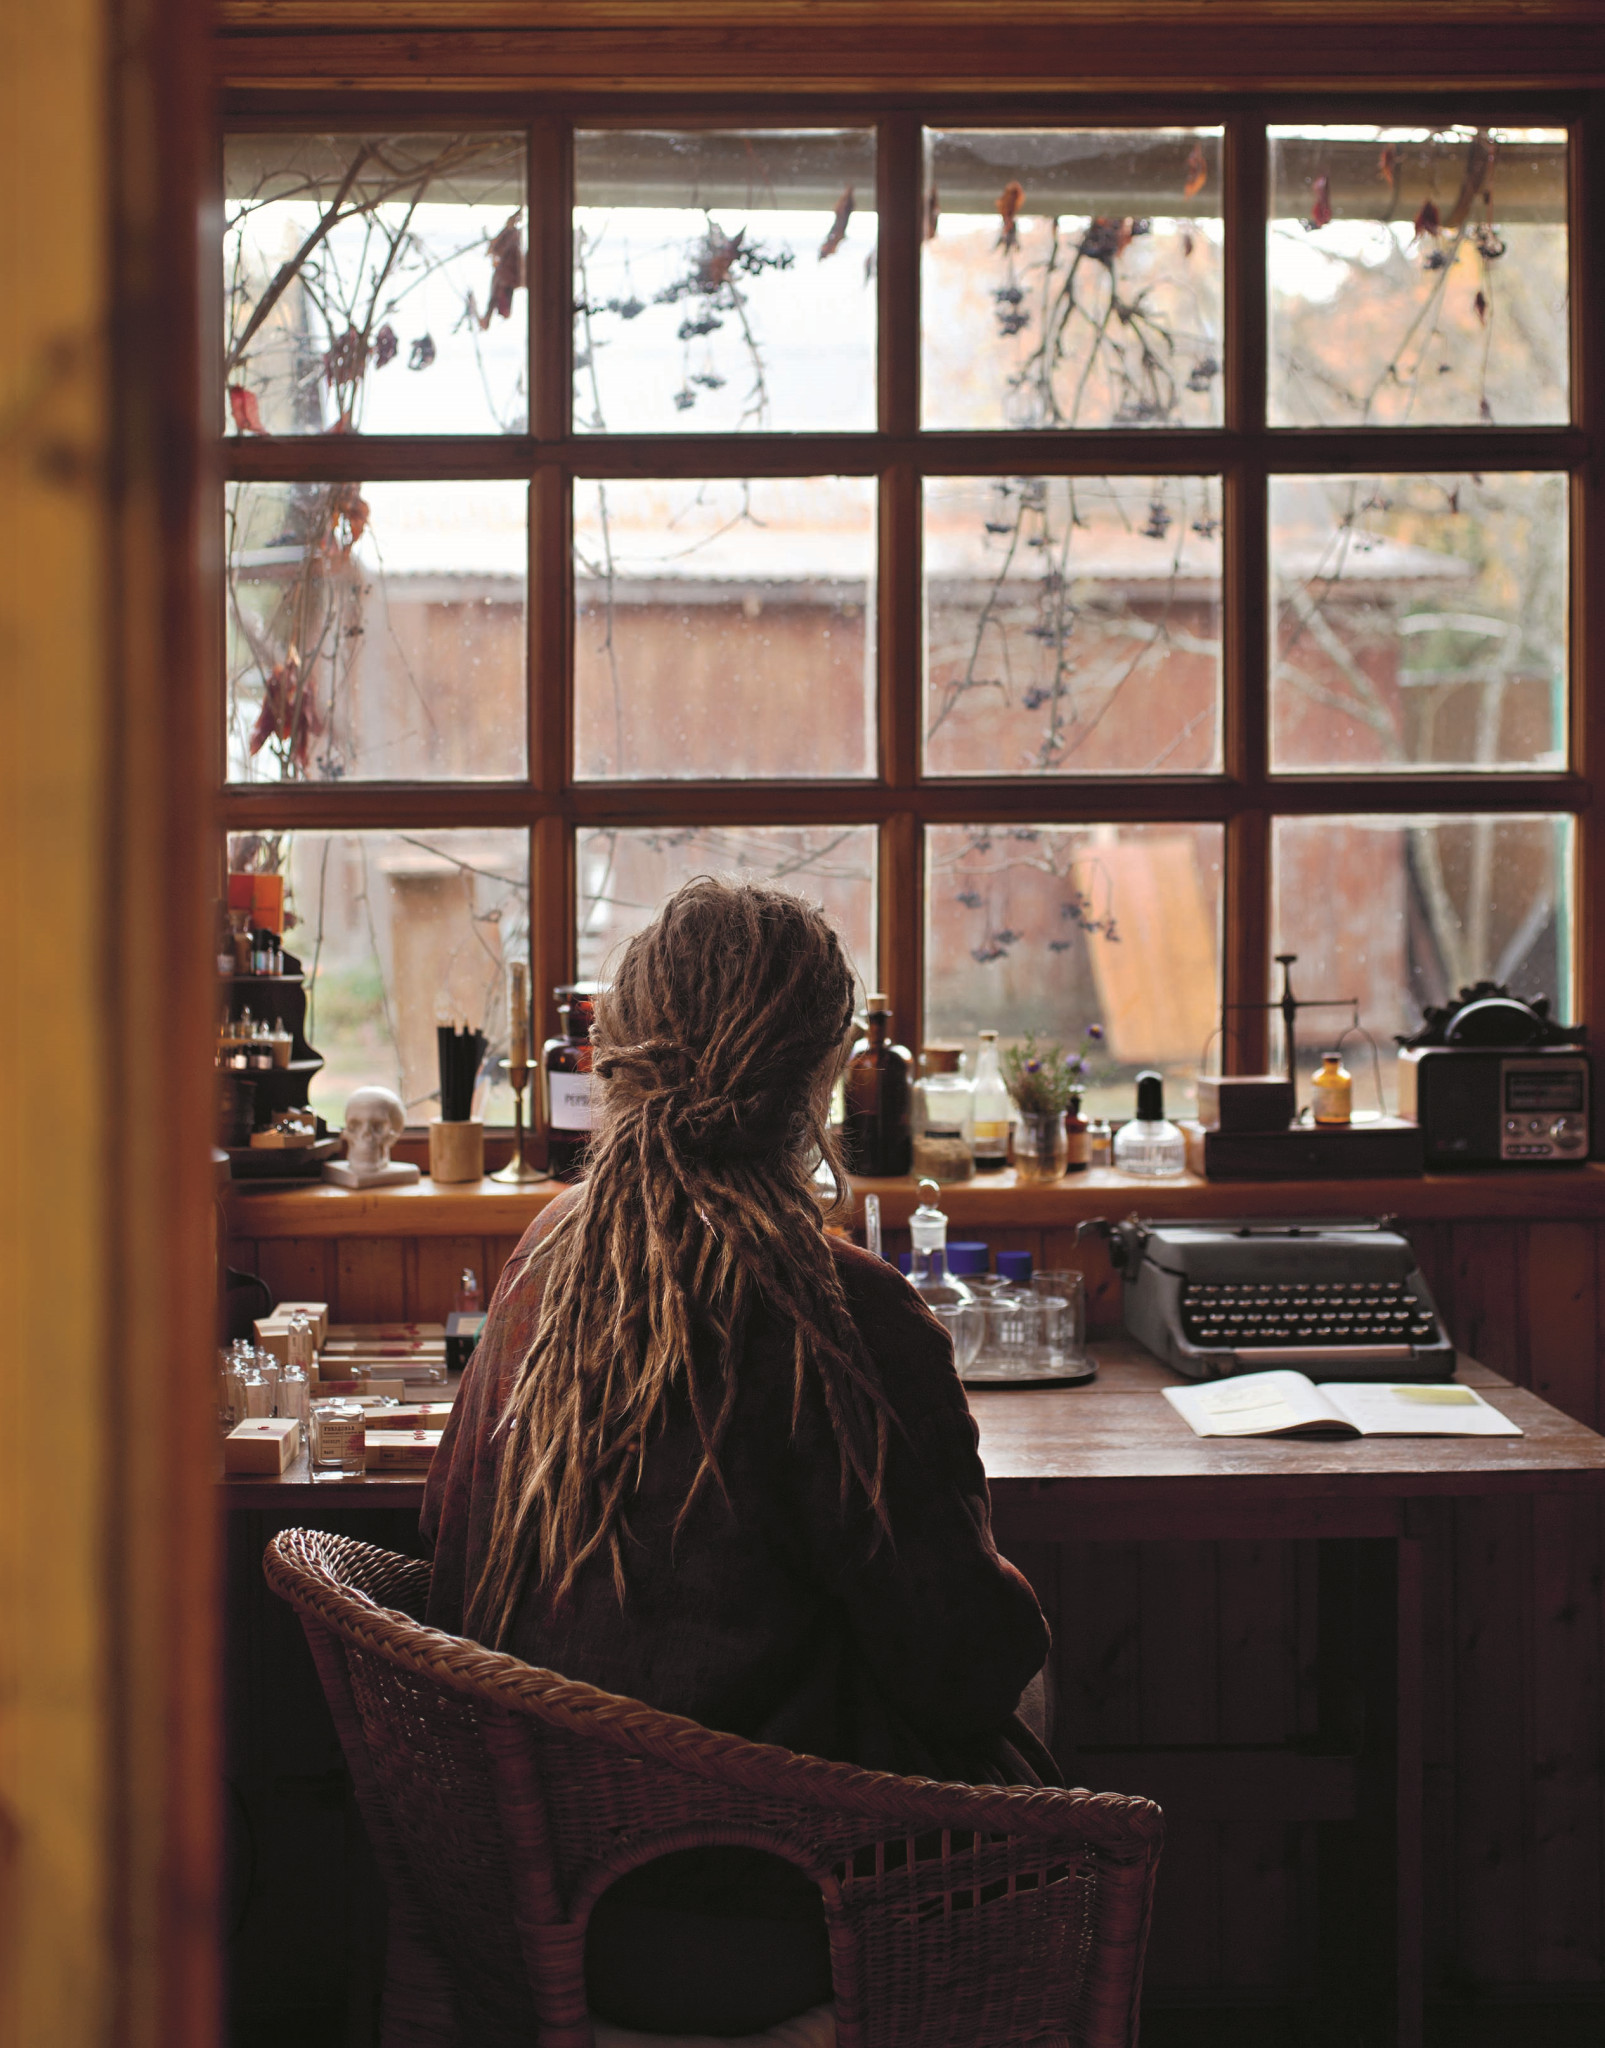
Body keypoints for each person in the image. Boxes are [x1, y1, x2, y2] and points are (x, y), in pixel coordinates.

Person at [422, 878, 1054, 2035]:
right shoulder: (840, 1309)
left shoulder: (547, 1253)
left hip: (525, 1896)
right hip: (775, 1918)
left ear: (618, 1048)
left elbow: (445, 1544)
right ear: (822, 1077)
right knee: (1032, 1688)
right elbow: (966, 1665)